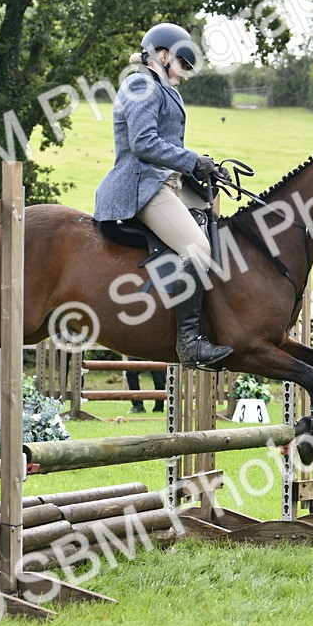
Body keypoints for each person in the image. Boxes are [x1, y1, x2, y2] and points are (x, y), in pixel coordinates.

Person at [94, 23, 231, 369]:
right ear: (164, 55)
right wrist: (191, 160)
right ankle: (189, 344)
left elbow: (168, 146)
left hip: (167, 183)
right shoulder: (141, 84)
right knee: (198, 250)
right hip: (142, 187)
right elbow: (143, 143)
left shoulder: (161, 87)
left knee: (221, 229)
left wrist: (204, 168)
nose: (184, 74)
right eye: (183, 65)